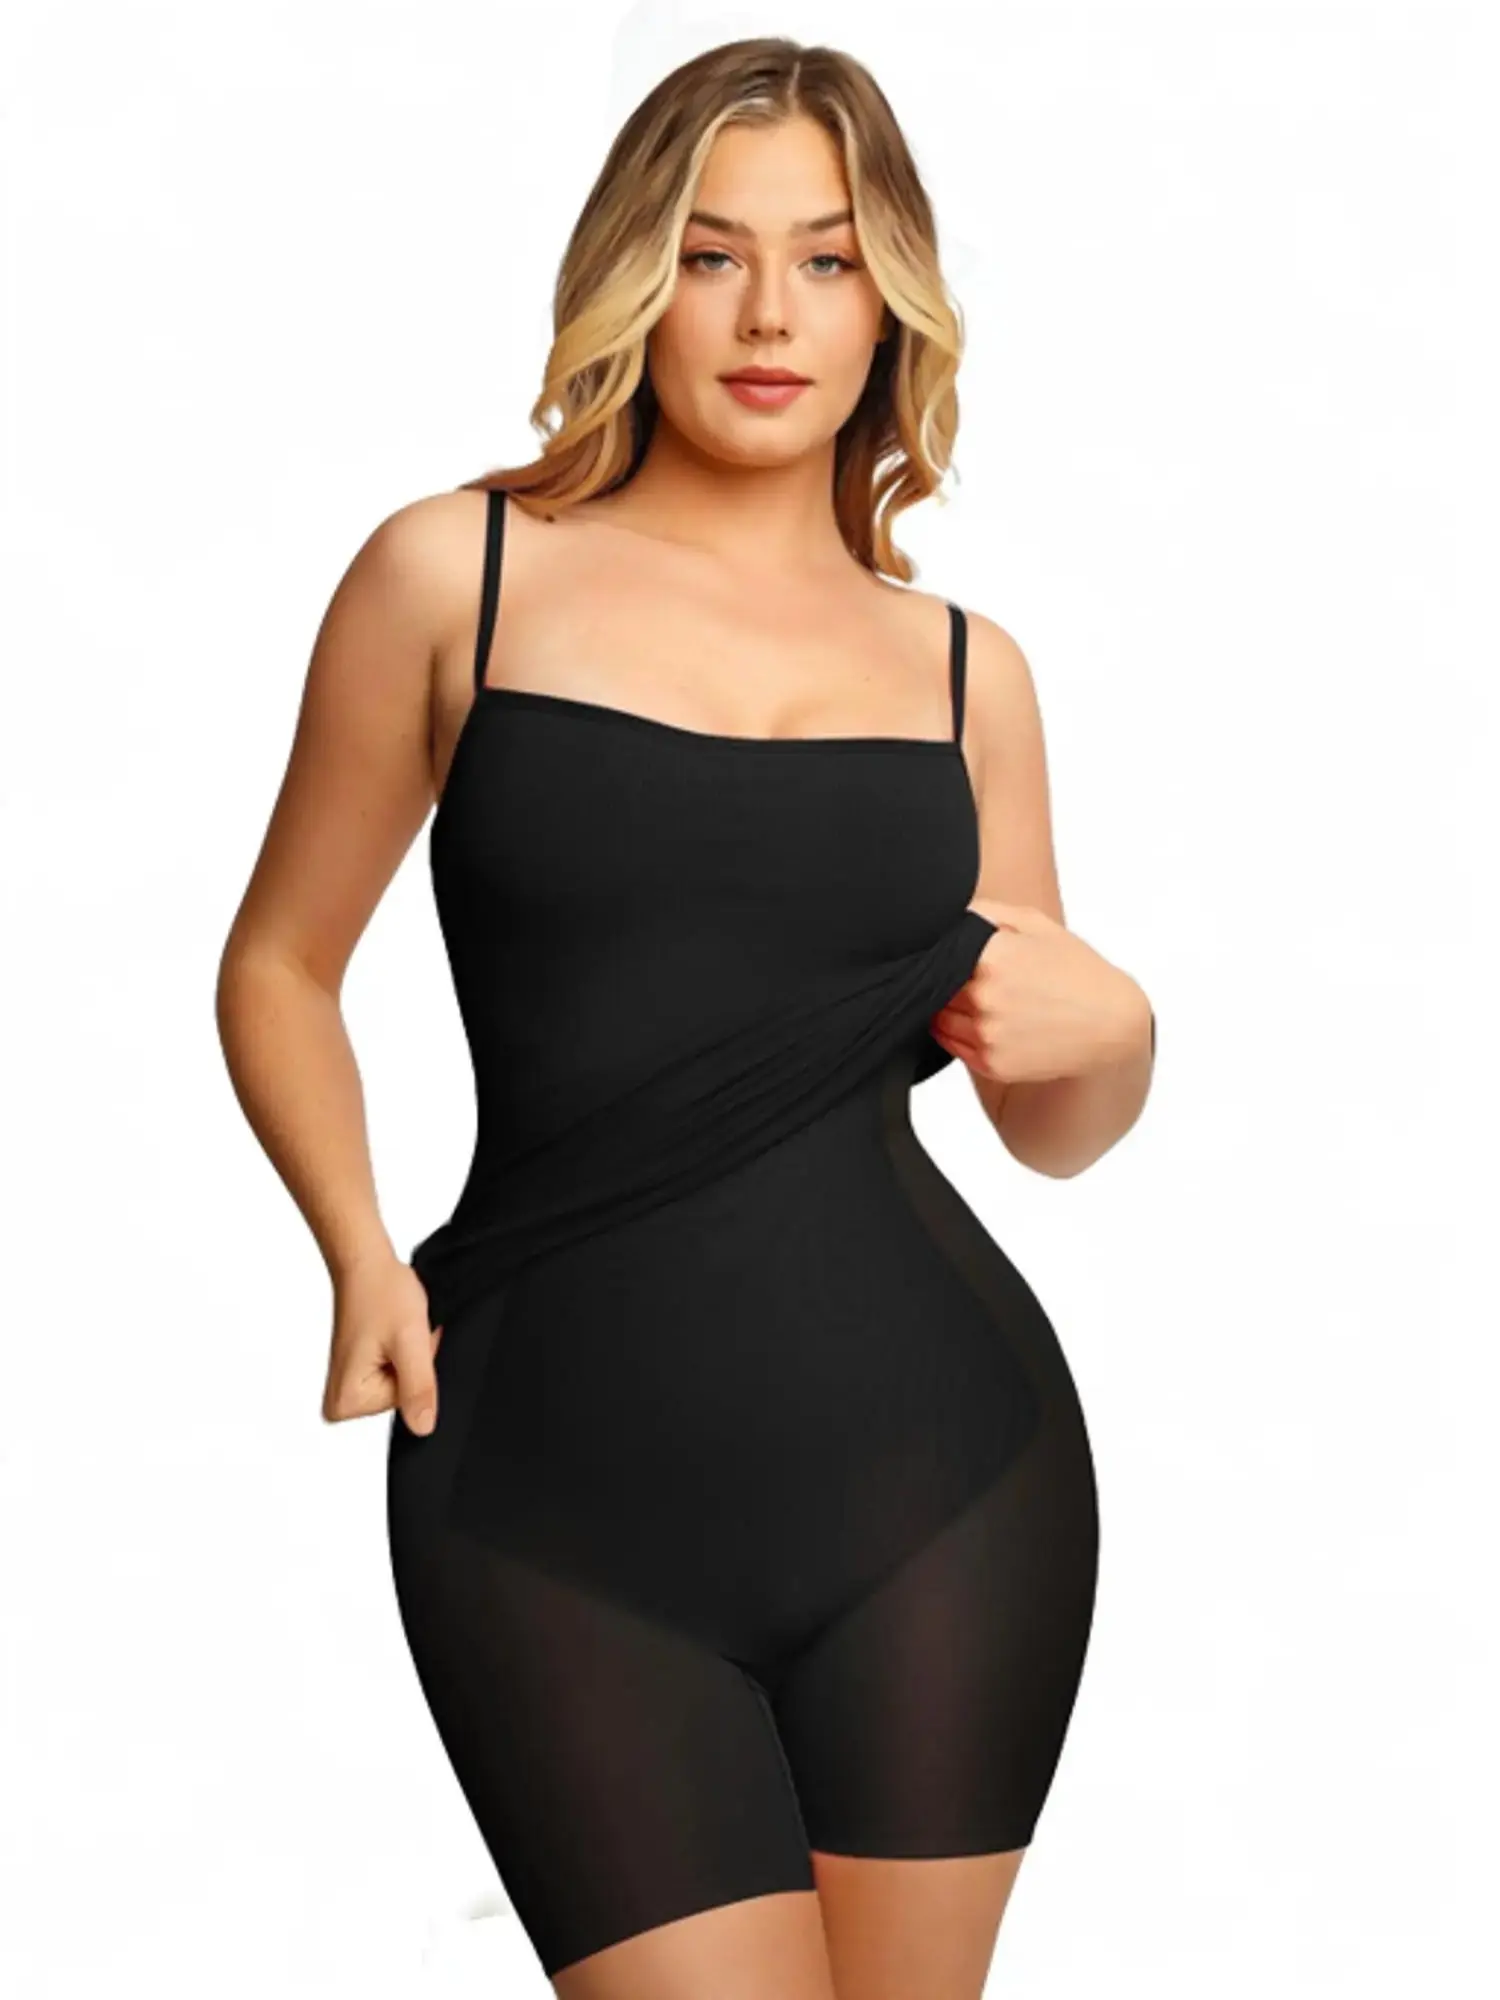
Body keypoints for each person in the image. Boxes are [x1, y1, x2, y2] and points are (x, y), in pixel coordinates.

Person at [216, 35, 1155, 2000]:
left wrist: (1122, 1038)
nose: (768, 315)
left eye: (827, 260)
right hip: (544, 1492)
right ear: (638, 278)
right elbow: (281, 960)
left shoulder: (967, 673)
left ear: (890, 301)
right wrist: (358, 1247)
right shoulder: (458, 574)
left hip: (945, 1487)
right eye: (715, 254)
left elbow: (1048, 1114)